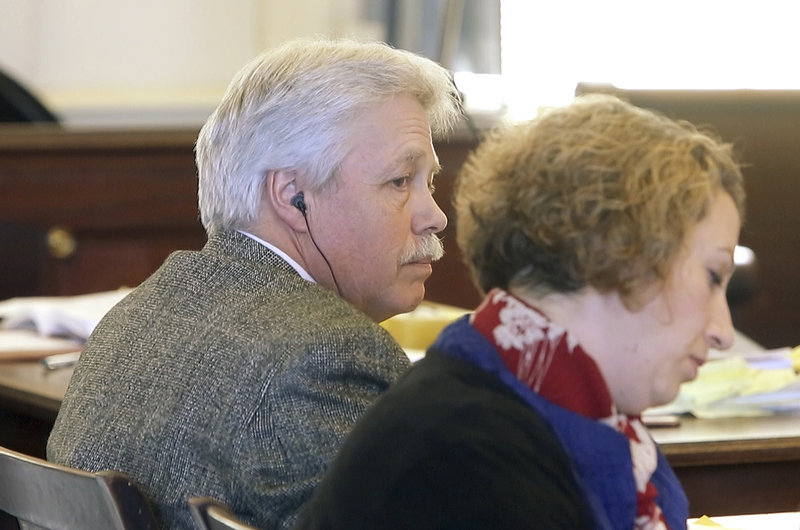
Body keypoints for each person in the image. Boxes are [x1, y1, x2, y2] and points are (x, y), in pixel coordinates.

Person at [47, 37, 461, 529]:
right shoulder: (329, 359)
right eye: (399, 181)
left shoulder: (136, 315)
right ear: (293, 196)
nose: (435, 217)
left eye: (429, 182)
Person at [296, 94, 745, 529]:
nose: (724, 332)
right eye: (712, 276)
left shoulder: (536, 403)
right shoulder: (462, 458)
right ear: (618, 257)